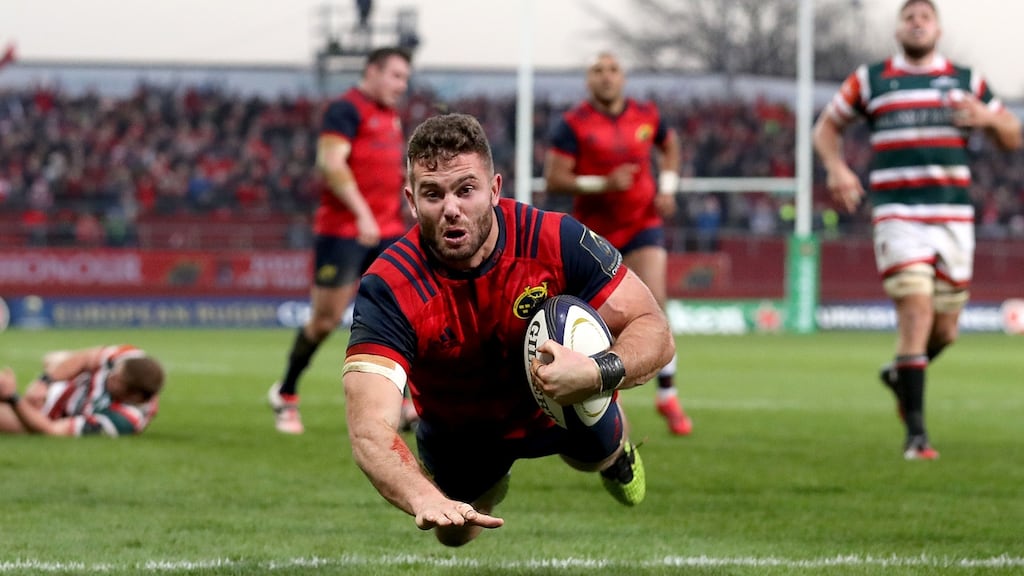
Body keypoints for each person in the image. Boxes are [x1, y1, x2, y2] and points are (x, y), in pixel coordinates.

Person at [342, 113, 675, 547]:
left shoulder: (554, 238)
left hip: (563, 405)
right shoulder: (389, 285)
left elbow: (654, 329)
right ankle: (492, 480)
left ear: (495, 189)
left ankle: (615, 455)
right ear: (412, 200)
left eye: (466, 190)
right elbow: (369, 427)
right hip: (462, 432)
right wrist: (425, 497)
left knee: (596, 454)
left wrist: (597, 373)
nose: (451, 209)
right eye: (433, 194)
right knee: (455, 533)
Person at [813, 0, 1021, 460]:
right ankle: (917, 438)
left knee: (946, 331)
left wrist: (989, 118)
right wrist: (836, 167)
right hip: (898, 213)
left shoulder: (967, 81)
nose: (917, 22)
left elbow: (1012, 136)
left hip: (953, 218)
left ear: (938, 30)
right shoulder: (872, 79)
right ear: (898, 30)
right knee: (916, 312)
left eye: (925, 17)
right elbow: (826, 128)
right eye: (909, 17)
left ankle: (899, 375)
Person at [543, 51, 691, 436]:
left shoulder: (647, 115)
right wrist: (603, 184)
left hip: (642, 222)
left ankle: (667, 394)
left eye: (612, 70)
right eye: (598, 71)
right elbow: (555, 179)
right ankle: (610, 397)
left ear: (623, 77)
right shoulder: (573, 124)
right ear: (588, 80)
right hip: (595, 234)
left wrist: (668, 187)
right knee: (603, 320)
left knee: (656, 301)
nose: (606, 77)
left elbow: (670, 146)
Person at [268, 46, 414, 434]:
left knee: (400, 315)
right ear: (373, 71)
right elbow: (330, 163)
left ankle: (402, 403)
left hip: (387, 230)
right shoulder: (346, 109)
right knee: (325, 320)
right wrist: (363, 213)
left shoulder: (391, 116)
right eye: (396, 75)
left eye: (405, 78)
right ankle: (286, 392)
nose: (402, 85)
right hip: (343, 232)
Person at [0, 345, 165, 437]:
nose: (110, 375)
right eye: (114, 371)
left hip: (49, 415)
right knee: (56, 358)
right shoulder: (131, 357)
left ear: (133, 396)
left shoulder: (123, 420)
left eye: (117, 380)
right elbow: (85, 358)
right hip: (70, 386)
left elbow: (51, 430)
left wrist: (13, 397)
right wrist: (43, 383)